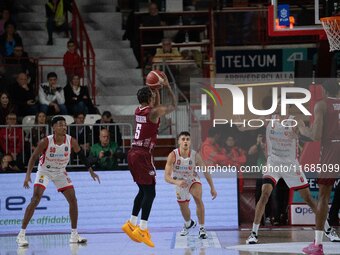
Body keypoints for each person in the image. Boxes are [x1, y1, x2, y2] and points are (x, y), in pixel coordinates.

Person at [244, 99, 339, 245]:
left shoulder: (295, 121)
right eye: (277, 104)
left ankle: (327, 229)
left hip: (290, 165)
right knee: (264, 194)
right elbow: (247, 126)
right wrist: (240, 124)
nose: (279, 107)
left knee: (308, 199)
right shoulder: (269, 119)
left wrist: (301, 134)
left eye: (282, 105)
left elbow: (307, 132)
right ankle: (253, 233)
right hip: (273, 162)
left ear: (288, 108)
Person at [16, 116, 100, 247]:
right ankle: (21, 234)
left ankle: (74, 234)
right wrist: (27, 176)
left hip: (60, 172)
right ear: (54, 127)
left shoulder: (71, 140)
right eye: (60, 124)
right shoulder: (46, 141)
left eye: (64, 124)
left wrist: (90, 170)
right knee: (35, 199)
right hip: (45, 172)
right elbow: (33, 158)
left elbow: (81, 156)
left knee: (73, 199)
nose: (64, 127)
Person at [121, 77, 176, 248]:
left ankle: (131, 222)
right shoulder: (152, 112)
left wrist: (156, 91)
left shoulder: (139, 110)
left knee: (143, 191)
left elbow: (155, 107)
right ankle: (143, 228)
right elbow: (173, 105)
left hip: (133, 153)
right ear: (150, 99)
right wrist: (166, 87)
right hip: (143, 154)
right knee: (150, 193)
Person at [301, 80, 340, 254]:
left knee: (324, 197)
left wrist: (301, 128)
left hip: (332, 149)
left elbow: (315, 135)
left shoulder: (322, 105)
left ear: (323, 90)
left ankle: (317, 245)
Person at [164, 131, 217, 239]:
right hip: (179, 182)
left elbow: (205, 171)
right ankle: (188, 223)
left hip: (192, 179)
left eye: (187, 139)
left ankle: (202, 228)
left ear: (190, 142)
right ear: (179, 141)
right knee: (184, 208)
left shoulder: (195, 155)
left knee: (198, 197)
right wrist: (177, 182)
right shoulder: (173, 155)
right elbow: (166, 177)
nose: (185, 141)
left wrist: (212, 187)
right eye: (183, 139)